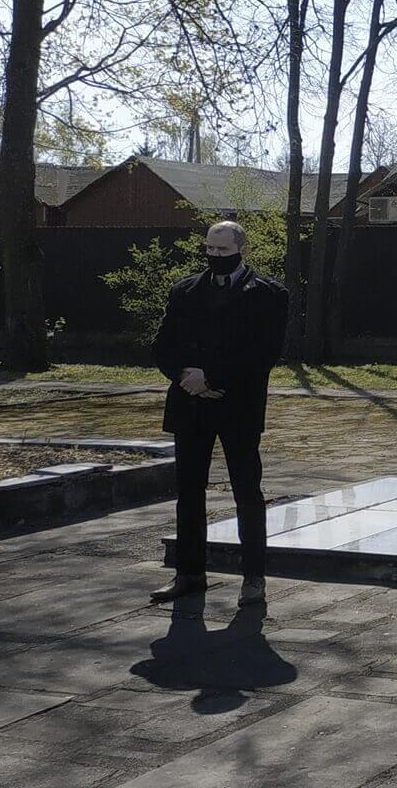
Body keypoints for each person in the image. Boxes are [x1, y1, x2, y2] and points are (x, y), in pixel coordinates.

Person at [149, 221, 288, 606]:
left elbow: (264, 353)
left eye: (223, 251)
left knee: (247, 491)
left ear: (242, 249)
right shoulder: (185, 291)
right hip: (190, 404)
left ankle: (253, 578)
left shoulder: (269, 294)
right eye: (209, 250)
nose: (214, 257)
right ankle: (189, 573)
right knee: (189, 493)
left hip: (237, 407)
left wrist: (211, 376)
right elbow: (163, 346)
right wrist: (186, 376)